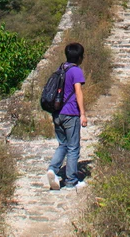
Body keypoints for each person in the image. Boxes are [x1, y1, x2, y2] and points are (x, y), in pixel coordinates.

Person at [47, 42, 88, 190]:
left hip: (57, 113)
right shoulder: (76, 71)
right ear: (79, 57)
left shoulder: (61, 68)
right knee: (73, 147)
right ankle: (71, 181)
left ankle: (53, 169)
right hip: (70, 113)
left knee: (63, 144)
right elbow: (78, 92)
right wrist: (82, 113)